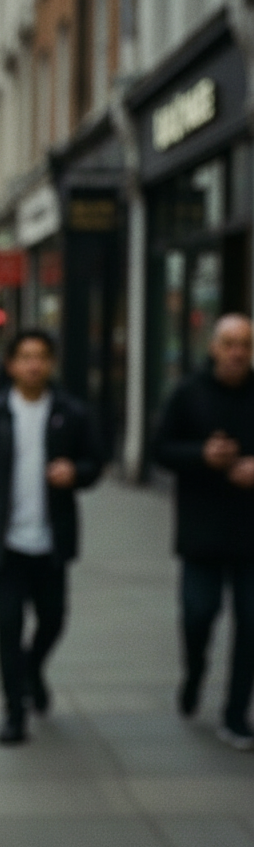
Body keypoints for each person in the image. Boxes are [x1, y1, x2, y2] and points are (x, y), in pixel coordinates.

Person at [0, 330, 104, 745]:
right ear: (11, 364)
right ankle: (14, 711)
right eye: (25, 356)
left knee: (53, 619)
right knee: (8, 626)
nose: (34, 364)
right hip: (6, 544)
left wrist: (77, 473)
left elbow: (95, 463)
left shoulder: (71, 412)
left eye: (41, 357)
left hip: (52, 542)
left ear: (51, 363)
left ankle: (33, 670)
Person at [152, 314, 254, 749]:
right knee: (199, 614)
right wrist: (202, 455)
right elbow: (159, 449)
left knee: (251, 625)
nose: (236, 352)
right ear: (213, 347)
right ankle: (194, 671)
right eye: (229, 343)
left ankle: (235, 713)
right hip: (202, 531)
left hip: (251, 534)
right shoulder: (188, 393)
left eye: (245, 344)